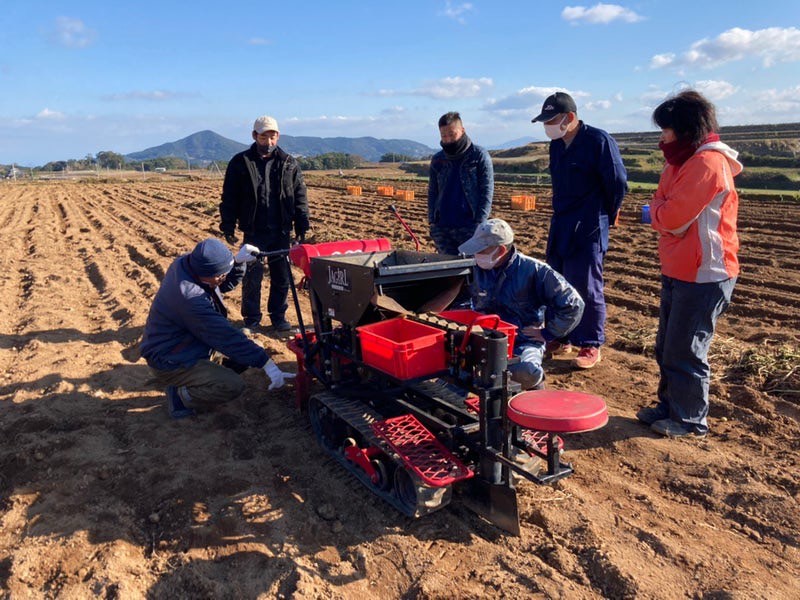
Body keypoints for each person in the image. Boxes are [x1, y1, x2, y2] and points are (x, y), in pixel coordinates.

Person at [636, 90, 742, 438]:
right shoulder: (680, 161)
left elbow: (672, 218)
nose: (661, 136)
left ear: (683, 128)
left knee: (685, 349)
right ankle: (669, 406)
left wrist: (660, 212)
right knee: (666, 345)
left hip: (704, 273)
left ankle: (689, 419)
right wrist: (661, 210)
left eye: (665, 129)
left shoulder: (706, 164)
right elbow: (659, 204)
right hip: (679, 268)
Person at [140, 238, 295, 419]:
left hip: (186, 343)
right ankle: (181, 395)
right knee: (231, 385)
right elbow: (225, 337)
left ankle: (204, 374)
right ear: (206, 273)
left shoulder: (186, 265)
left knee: (251, 345)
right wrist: (267, 365)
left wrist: (237, 263)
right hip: (171, 359)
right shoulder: (190, 300)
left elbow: (221, 283)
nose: (223, 277)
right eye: (220, 274)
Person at [531, 92, 627, 369]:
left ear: (570, 117)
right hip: (561, 220)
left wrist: (605, 213)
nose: (548, 126)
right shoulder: (557, 146)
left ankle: (590, 343)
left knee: (586, 284)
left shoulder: (598, 141)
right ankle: (561, 336)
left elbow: (617, 182)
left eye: (552, 120)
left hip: (588, 223)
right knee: (556, 280)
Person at [458, 219, 585, 390]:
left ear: (501, 250)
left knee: (527, 372)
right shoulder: (474, 268)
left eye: (482, 250)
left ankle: (533, 391)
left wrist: (548, 333)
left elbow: (573, 304)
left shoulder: (534, 271)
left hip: (522, 340)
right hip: (482, 337)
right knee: (453, 373)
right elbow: (460, 298)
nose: (477, 254)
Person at [219, 115, 311, 332]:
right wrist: (228, 225)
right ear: (254, 136)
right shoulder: (241, 162)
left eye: (273, 136)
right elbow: (229, 196)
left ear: (278, 136)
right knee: (253, 277)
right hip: (254, 230)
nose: (269, 141)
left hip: (280, 229)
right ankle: (252, 320)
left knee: (282, 276)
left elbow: (300, 195)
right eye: (263, 137)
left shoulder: (288, 163)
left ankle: (278, 317)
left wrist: (302, 224)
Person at [428, 112, 494, 256]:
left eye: (452, 134)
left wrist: (479, 223)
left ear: (462, 130)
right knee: (448, 270)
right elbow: (433, 191)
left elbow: (487, 191)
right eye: (444, 136)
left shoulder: (479, 155)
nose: (448, 140)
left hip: (469, 226)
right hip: (443, 227)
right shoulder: (438, 159)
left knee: (472, 269)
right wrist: (432, 221)